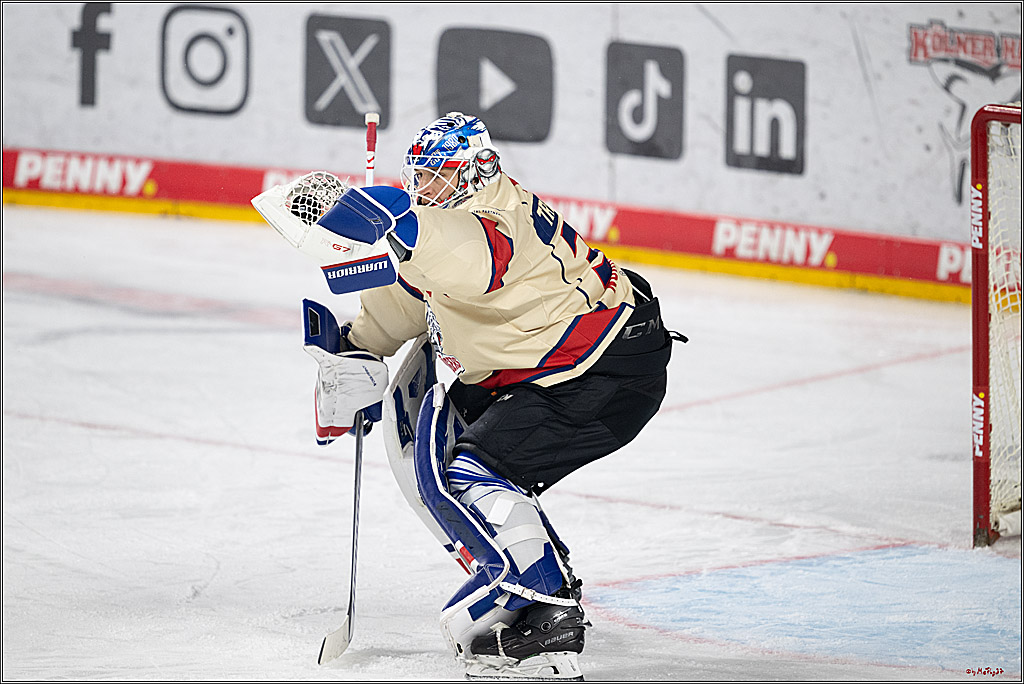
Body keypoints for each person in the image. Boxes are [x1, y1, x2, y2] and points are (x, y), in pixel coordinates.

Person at [284, 112, 680, 680]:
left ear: (478, 170)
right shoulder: (442, 229)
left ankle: (542, 606)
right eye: (419, 177)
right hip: (554, 367)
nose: (428, 189)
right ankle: (541, 572)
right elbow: (413, 294)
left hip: (602, 372)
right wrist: (355, 351)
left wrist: (398, 221)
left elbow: (463, 255)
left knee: (470, 471)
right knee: (443, 456)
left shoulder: (495, 219)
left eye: (441, 176)